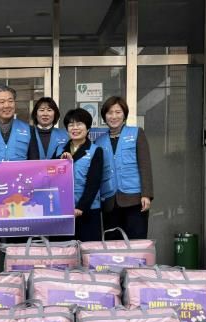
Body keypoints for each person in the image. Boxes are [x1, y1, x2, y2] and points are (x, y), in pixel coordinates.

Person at [95, 96, 154, 239]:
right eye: (110, 113)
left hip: (134, 199)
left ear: (124, 114)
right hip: (109, 202)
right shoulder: (98, 142)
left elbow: (145, 165)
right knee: (112, 244)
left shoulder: (136, 133)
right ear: (104, 116)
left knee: (136, 242)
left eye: (118, 112)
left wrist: (146, 194)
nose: (114, 116)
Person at [60, 108, 103, 242]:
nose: (75, 128)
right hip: (64, 210)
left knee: (88, 250)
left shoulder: (95, 150)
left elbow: (94, 183)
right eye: (71, 125)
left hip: (88, 210)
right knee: (64, 251)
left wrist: (81, 207)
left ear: (88, 128)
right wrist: (60, 163)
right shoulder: (59, 150)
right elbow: (52, 179)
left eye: (79, 124)